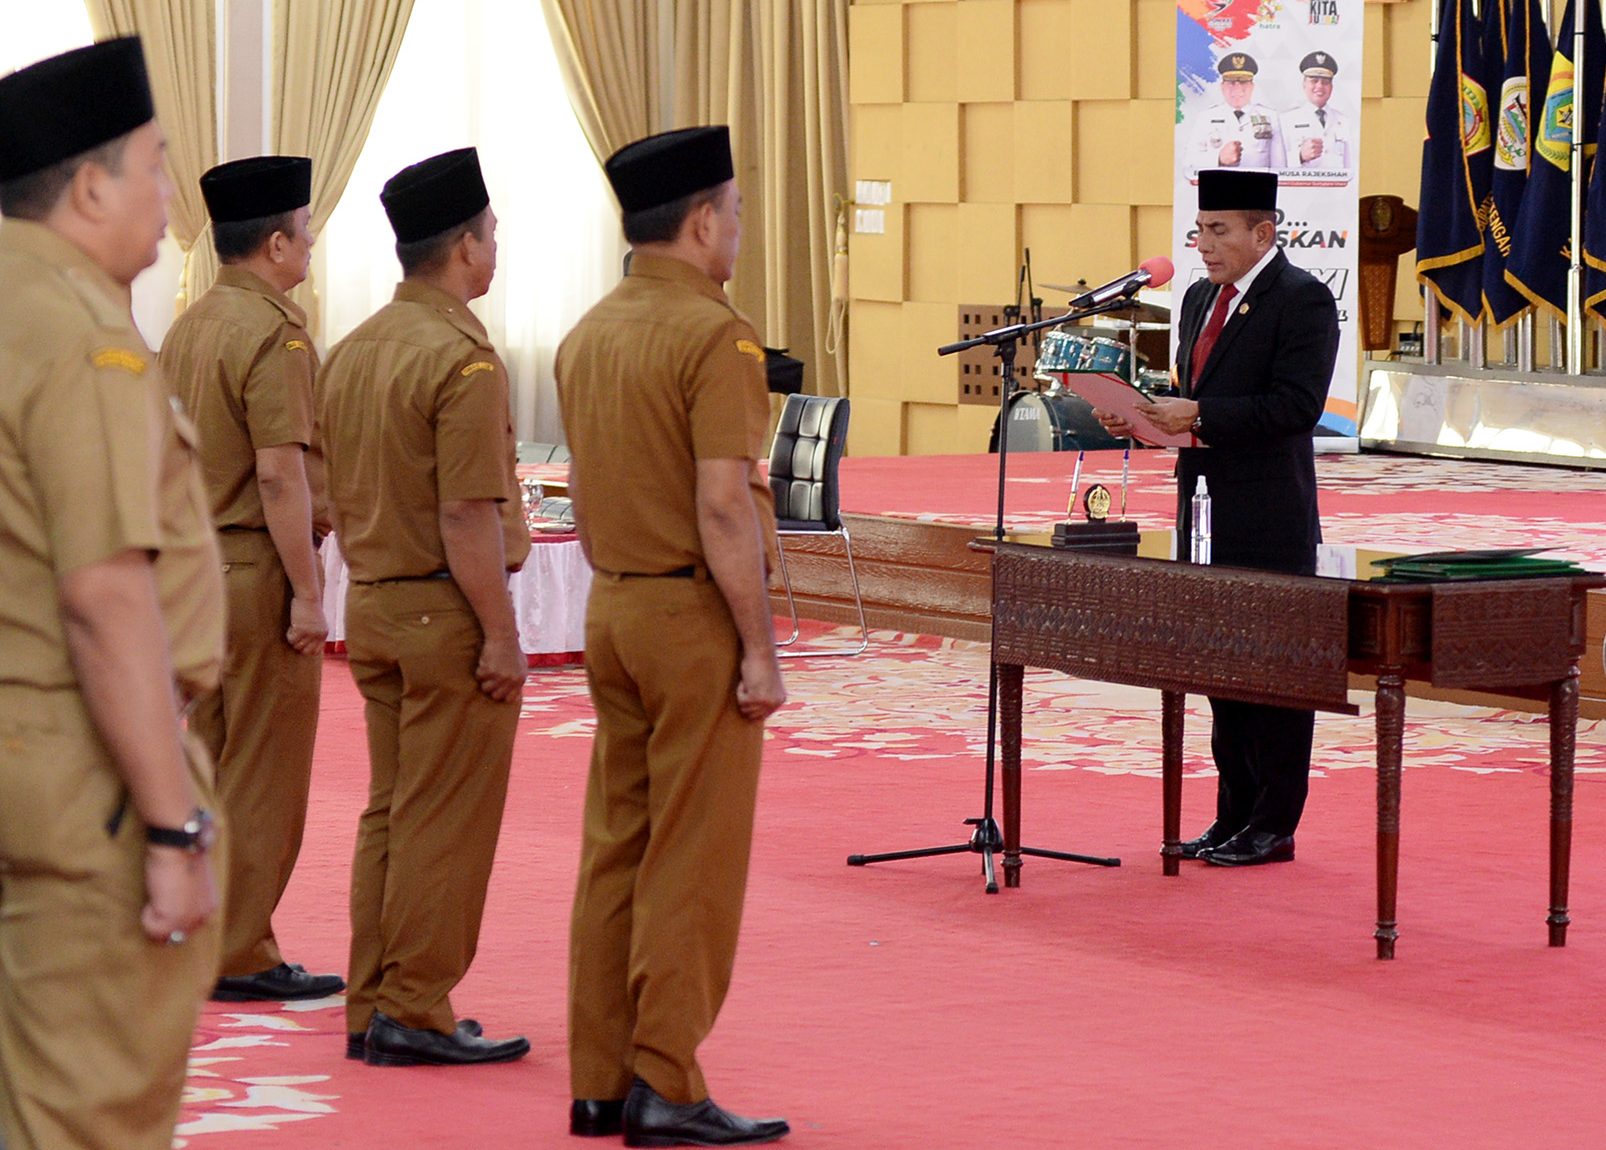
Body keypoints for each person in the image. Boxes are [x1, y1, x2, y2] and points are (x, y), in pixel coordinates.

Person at [0, 37, 226, 1149]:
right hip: (79, 780)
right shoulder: (83, 340)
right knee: (89, 1116)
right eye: (156, 163)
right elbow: (103, 595)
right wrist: (172, 826)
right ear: (90, 185)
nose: (167, 194)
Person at [557, 126, 790, 1148]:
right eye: (734, 212)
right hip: (692, 615)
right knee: (692, 855)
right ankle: (666, 1078)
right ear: (702, 222)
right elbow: (724, 507)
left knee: (617, 846)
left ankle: (601, 1076)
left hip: (609, 605)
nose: (738, 229)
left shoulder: (588, 330)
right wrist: (761, 646)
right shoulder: (716, 336)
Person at [317, 146, 530, 1067]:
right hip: (447, 615)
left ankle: (373, 1000)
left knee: (392, 812)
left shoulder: (355, 346)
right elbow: (465, 511)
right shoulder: (462, 360)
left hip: (370, 606)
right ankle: (416, 1004)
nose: (497, 253)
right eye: (492, 237)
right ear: (464, 248)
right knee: (445, 818)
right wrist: (502, 635)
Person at [1094, 169, 1337, 867]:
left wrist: (1197, 413)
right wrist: (1140, 417)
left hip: (1270, 512)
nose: (1202, 244)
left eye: (1219, 230)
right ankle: (1231, 815)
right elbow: (1191, 398)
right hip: (1201, 506)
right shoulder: (1200, 298)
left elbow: (1297, 407)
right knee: (1220, 670)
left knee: (1275, 674)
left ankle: (1273, 823)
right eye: (1199, 230)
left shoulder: (1302, 299)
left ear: (1264, 233)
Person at [158, 155, 343, 1004]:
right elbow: (280, 475)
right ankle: (241, 951)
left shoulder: (189, 326)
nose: (309, 246)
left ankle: (198, 932)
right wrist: (307, 592)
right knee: (265, 775)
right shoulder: (275, 332)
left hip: (193, 569)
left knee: (210, 762)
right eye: (304, 233)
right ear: (275, 243)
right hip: (256, 566)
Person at [1188, 52, 1283, 174]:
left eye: (1243, 82)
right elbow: (1189, 162)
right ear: (1222, 86)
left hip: (1258, 188)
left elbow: (1279, 166)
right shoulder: (1206, 118)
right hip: (1218, 187)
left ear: (1252, 86)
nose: (1237, 88)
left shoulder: (1271, 117)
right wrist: (1218, 159)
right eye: (1231, 82)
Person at [1280, 51, 1351, 172]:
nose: (1320, 86)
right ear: (1304, 84)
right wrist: (1300, 157)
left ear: (1331, 86)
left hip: (1337, 189)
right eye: (1314, 80)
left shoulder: (1344, 121)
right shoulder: (1286, 120)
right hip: (1299, 189)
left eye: (1325, 82)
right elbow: (1276, 166)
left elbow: (1351, 165)